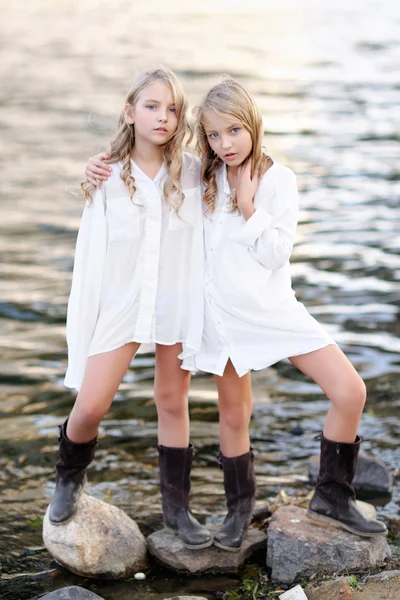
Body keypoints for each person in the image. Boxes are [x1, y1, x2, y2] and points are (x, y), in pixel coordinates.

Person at [85, 76, 387, 552]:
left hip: (274, 310)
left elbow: (276, 254)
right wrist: (96, 169)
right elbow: (148, 180)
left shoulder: (277, 179)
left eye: (234, 131)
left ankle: (333, 493)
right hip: (222, 317)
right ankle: (237, 512)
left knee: (351, 390)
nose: (224, 144)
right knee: (234, 413)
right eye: (212, 135)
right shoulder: (202, 178)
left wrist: (249, 208)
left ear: (253, 127)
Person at [50, 67, 213, 551]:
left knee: (171, 400)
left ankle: (177, 509)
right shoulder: (107, 177)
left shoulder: (192, 171)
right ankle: (68, 478)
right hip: (121, 304)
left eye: (172, 109)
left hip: (175, 302)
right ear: (129, 112)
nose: (162, 116)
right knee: (93, 403)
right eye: (151, 106)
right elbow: (91, 256)